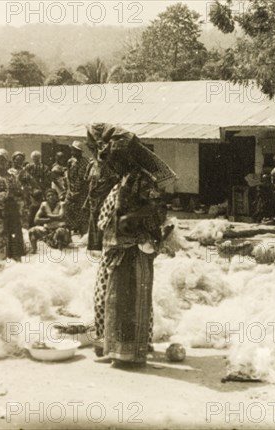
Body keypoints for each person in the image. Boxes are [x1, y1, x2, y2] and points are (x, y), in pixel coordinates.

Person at [91, 124, 176, 367]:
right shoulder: (124, 179)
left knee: (127, 299)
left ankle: (128, 353)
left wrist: (131, 219)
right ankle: (114, 347)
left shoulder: (141, 179)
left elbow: (158, 208)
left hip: (132, 248)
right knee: (109, 297)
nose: (111, 164)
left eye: (114, 159)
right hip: (115, 249)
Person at [0, 149, 25, 263]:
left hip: (11, 209)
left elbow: (19, 191)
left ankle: (14, 263)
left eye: (3, 159)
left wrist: (13, 195)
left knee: (13, 236)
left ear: (7, 161)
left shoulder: (12, 176)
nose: (1, 162)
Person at [28, 188, 71, 253]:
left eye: (52, 195)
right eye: (48, 196)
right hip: (48, 231)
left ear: (56, 196)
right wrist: (50, 219)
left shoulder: (62, 204)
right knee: (32, 231)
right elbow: (36, 220)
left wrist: (48, 216)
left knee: (60, 231)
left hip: (61, 230)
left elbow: (60, 216)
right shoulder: (44, 205)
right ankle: (34, 251)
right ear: (46, 198)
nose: (50, 197)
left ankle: (61, 252)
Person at [65, 141, 90, 235]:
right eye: (72, 150)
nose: (73, 152)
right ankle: (69, 236)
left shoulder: (86, 162)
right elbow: (68, 178)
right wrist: (69, 191)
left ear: (80, 152)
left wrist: (79, 193)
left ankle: (83, 236)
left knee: (82, 215)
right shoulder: (70, 161)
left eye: (75, 151)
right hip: (71, 192)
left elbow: (86, 180)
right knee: (68, 211)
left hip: (82, 193)